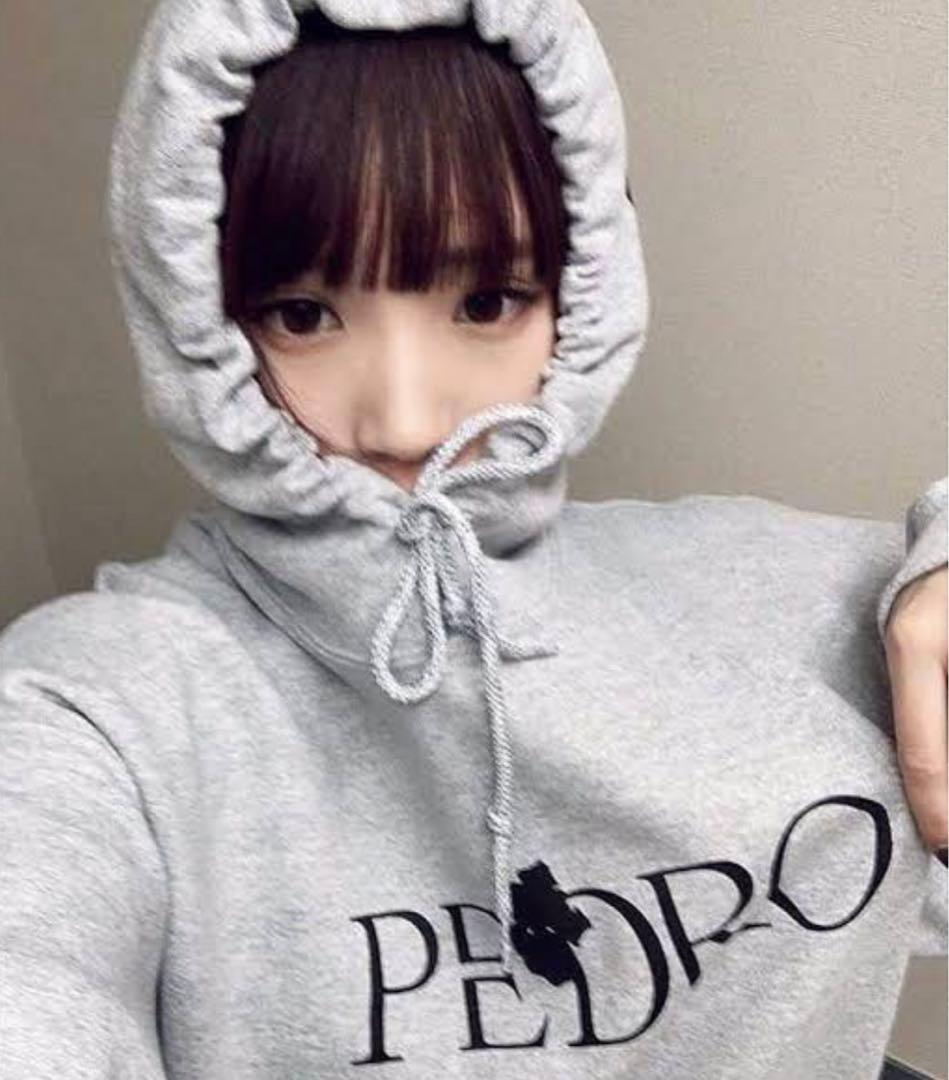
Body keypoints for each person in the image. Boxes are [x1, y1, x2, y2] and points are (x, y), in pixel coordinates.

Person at [0, 2, 945, 1077]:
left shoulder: (777, 592)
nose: (404, 421)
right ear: (194, 315)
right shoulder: (96, 705)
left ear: (581, 296)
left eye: (487, 301)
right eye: (302, 315)